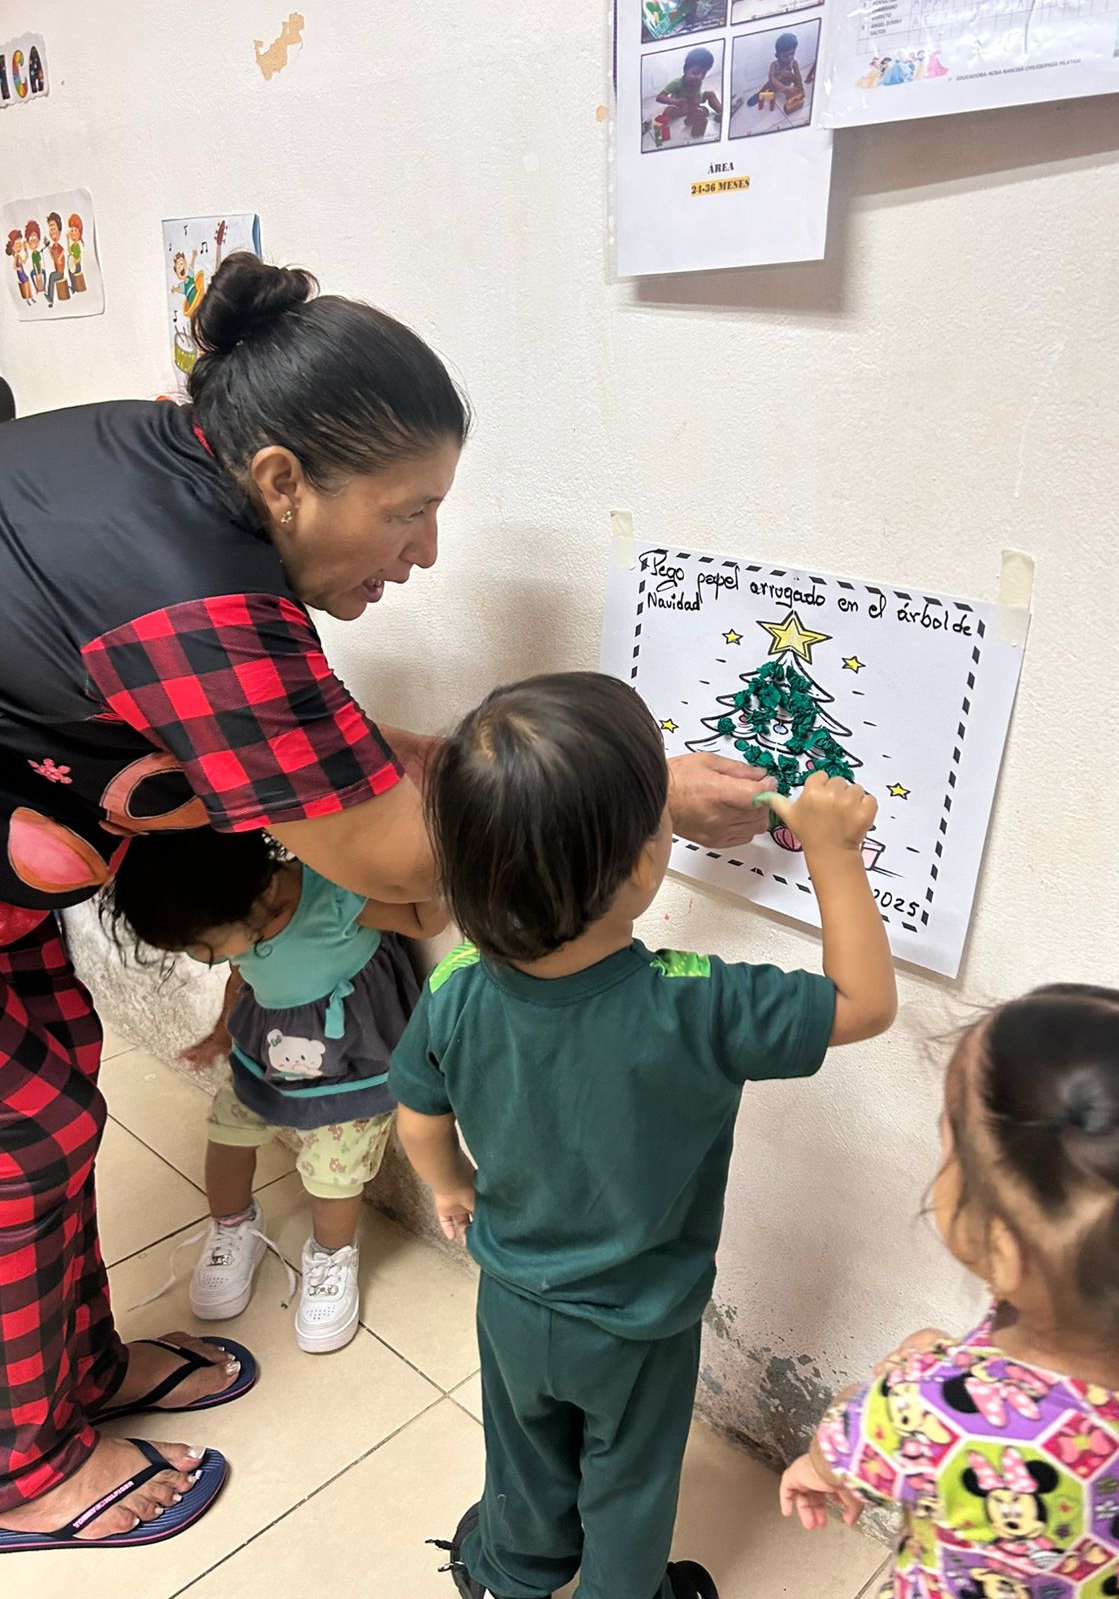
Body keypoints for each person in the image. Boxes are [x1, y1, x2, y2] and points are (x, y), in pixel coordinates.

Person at [0, 250, 774, 1552]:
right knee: (17, 1148)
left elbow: (324, 753)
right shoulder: (197, 598)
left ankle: (74, 1378)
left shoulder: (165, 465)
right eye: (407, 512)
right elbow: (401, 863)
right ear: (282, 480)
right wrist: (640, 795)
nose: (425, 553)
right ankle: (24, 1471)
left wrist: (459, 759)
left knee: (55, 1106)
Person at [391, 672, 897, 1599]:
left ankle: (510, 1571)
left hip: (511, 1295)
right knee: (628, 1480)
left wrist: (451, 1184)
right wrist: (833, 853)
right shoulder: (695, 1003)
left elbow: (418, 1115)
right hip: (637, 1323)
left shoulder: (455, 983)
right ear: (640, 868)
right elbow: (863, 1005)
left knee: (522, 1449)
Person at [780, 986, 1119, 1596]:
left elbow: (845, 1445)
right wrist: (961, 1365)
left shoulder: (918, 1405)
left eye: (950, 1145)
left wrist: (823, 1459)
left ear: (1003, 1249)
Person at [105, 828, 447, 1354]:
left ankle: (331, 1257)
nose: (202, 960)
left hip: (348, 1064)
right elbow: (240, 976)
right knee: (225, 1135)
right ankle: (232, 1225)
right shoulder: (240, 910)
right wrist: (222, 1031)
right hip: (266, 1053)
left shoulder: (334, 898)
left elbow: (426, 922)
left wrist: (427, 852)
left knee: (334, 1175)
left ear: (262, 894)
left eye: (202, 947)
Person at [656, 45, 723, 139]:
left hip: (692, 102)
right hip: (678, 104)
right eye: (695, 73)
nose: (699, 77)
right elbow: (659, 97)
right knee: (667, 112)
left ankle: (721, 112)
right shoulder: (676, 83)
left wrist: (695, 103)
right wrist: (675, 102)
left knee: (710, 95)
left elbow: (696, 97)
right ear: (685, 70)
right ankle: (664, 136)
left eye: (703, 74)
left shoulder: (698, 81)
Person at [748, 31, 815, 111]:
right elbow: (771, 78)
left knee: (793, 76)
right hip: (776, 83)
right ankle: (758, 94)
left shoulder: (793, 62)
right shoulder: (775, 65)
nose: (790, 57)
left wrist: (799, 87)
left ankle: (799, 89)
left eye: (792, 54)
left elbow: (798, 75)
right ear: (777, 55)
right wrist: (784, 89)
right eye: (786, 56)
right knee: (770, 83)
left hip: (787, 82)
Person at [43, 210, 67, 304]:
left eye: (54, 228)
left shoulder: (59, 246)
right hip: (58, 271)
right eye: (50, 229)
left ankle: (51, 297)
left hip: (60, 272)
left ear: (59, 230)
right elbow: (53, 256)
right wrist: (48, 246)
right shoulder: (54, 246)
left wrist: (59, 257)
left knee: (52, 277)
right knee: (51, 276)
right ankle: (50, 297)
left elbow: (62, 252)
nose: (52, 231)